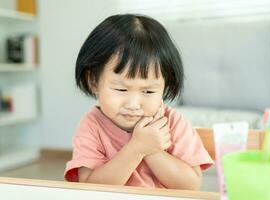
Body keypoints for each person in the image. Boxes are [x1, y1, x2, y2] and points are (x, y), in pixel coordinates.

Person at [64, 14, 213, 190]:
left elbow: (191, 186)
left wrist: (153, 151)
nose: (134, 104)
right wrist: (137, 148)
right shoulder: (92, 126)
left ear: (165, 85)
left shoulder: (173, 123)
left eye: (148, 91)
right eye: (121, 89)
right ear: (93, 81)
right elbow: (91, 188)